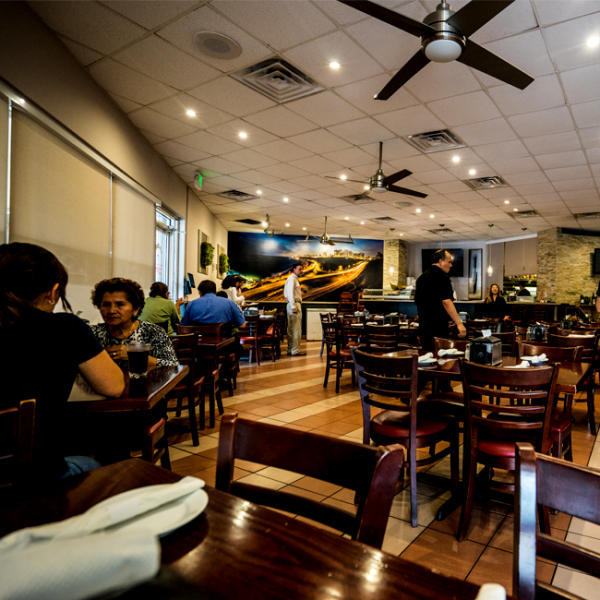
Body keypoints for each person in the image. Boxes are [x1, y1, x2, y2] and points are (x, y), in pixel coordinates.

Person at [0, 242, 124, 480]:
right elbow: (114, 386)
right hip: (36, 473)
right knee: (104, 464)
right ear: (52, 291)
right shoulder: (65, 328)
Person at [90, 278, 178, 369]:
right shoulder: (91, 334)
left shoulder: (154, 332)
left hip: (146, 378)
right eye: (106, 304)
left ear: (136, 308)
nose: (111, 311)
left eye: (120, 304)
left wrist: (136, 357)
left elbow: (173, 366)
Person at [415, 249, 467, 352]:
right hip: (438, 327)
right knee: (441, 357)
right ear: (440, 262)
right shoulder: (443, 277)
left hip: (424, 327)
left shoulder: (421, 278)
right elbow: (446, 302)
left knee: (427, 356)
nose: (451, 265)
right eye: (449, 262)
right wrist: (459, 323)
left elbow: (417, 302)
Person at [284, 263, 305, 356]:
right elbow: (290, 293)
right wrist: (293, 306)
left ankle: (290, 349)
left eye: (302, 269)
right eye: (299, 269)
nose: (301, 271)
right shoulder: (292, 279)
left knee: (291, 329)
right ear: (294, 270)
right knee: (296, 329)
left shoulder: (293, 279)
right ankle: (295, 350)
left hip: (292, 304)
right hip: (294, 304)